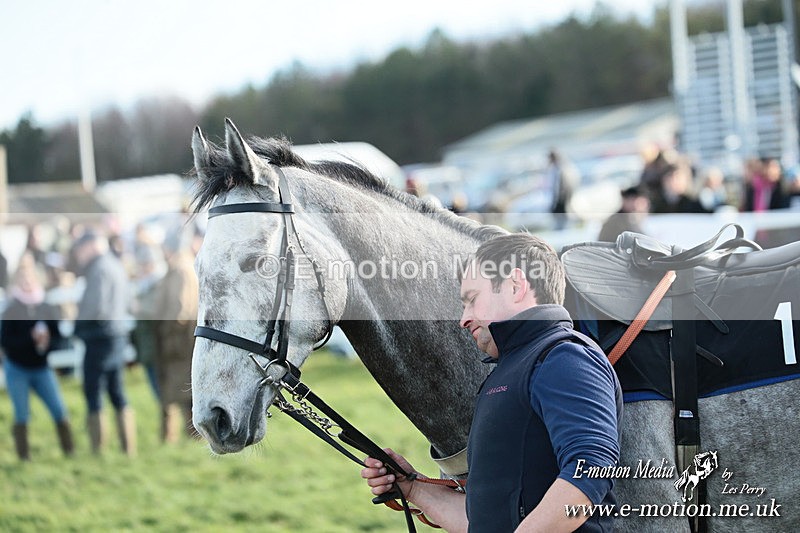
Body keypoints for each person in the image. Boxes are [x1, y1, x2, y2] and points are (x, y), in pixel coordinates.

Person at [362, 233, 622, 532]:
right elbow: (484, 520)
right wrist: (413, 488)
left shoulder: (564, 357)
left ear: (515, 285)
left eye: (472, 300)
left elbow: (591, 468)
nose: (464, 318)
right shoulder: (510, 369)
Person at [1, 257, 74, 460]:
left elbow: (58, 337)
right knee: (22, 413)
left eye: (30, 278)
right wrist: (30, 339)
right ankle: (24, 457)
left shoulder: (46, 307)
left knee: (59, 409)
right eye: (22, 278)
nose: (27, 282)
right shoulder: (12, 309)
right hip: (18, 369)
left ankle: (70, 451)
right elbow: (6, 341)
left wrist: (46, 343)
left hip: (42, 368)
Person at [72, 231, 136, 457]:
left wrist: (76, 328)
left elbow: (94, 306)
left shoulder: (98, 268)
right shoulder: (116, 264)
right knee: (117, 391)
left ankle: (97, 450)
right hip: (117, 335)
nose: (78, 257)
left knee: (94, 391)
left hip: (99, 338)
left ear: (89, 246)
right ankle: (128, 449)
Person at [154, 228, 200, 442]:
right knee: (184, 391)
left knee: (184, 392)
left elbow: (180, 309)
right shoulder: (184, 266)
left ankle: (193, 436)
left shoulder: (181, 269)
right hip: (183, 340)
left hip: (180, 341)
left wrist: (165, 330)